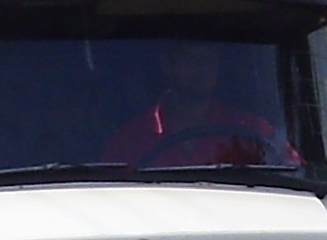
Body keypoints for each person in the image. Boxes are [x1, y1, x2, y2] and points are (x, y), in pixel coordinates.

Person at [103, 41, 296, 170]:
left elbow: (293, 171)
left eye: (209, 59)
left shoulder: (249, 129)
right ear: (167, 65)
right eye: (191, 58)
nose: (202, 67)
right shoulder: (131, 139)